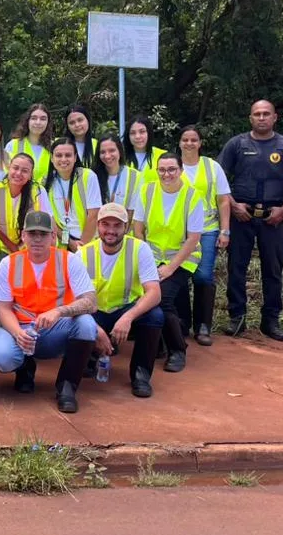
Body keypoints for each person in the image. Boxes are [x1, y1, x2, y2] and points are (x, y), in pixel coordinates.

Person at [0, 211, 98, 413]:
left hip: (55, 328)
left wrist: (59, 312)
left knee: (87, 325)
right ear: (23, 236)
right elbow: (3, 308)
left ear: (53, 237)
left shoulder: (69, 260)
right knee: (3, 357)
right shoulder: (8, 263)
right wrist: (17, 333)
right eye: (32, 233)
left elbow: (91, 302)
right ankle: (24, 370)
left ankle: (66, 388)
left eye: (43, 234)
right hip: (20, 326)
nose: (37, 239)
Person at [218, 99, 283, 341]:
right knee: (236, 268)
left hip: (273, 218)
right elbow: (218, 176)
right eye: (257, 114)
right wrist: (233, 205)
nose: (262, 118)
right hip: (241, 216)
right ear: (250, 118)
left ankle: (271, 320)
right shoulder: (237, 144)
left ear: (275, 117)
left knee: (273, 269)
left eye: (266, 114)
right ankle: (237, 318)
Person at [80, 203, 164, 398]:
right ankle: (89, 357)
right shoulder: (83, 253)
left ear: (126, 227)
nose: (110, 231)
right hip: (95, 313)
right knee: (77, 322)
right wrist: (96, 330)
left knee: (154, 316)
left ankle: (140, 375)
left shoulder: (139, 249)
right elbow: (72, 299)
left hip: (125, 310)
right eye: (105, 224)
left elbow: (154, 293)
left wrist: (128, 317)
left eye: (117, 225)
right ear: (98, 226)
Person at [132, 153, 203, 374]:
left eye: (171, 169)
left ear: (181, 170)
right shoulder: (147, 190)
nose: (166, 174)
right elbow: (138, 227)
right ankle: (158, 345)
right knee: (140, 295)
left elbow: (193, 238)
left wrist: (170, 268)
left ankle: (178, 349)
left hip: (182, 259)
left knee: (162, 299)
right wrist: (144, 259)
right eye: (162, 170)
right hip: (151, 257)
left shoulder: (193, 196)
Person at [178, 126, 232, 345]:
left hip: (207, 229)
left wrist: (225, 230)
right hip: (179, 232)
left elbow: (223, 200)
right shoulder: (173, 166)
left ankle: (203, 326)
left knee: (203, 276)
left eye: (194, 140)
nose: (189, 143)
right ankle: (182, 324)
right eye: (185, 140)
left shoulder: (212, 167)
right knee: (180, 276)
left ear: (200, 143)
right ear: (180, 143)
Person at [0, 152, 50, 263]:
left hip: (32, 248)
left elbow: (46, 223)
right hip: (3, 247)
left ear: (30, 175)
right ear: (9, 168)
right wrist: (14, 249)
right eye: (15, 168)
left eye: (25, 171)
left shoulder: (38, 192)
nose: (18, 173)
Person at [42, 138, 101, 250]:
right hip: (62, 244)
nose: (63, 159)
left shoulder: (88, 176)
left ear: (75, 157)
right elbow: (52, 220)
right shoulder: (46, 183)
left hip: (88, 243)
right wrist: (69, 242)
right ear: (51, 158)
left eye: (68, 155)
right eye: (58, 155)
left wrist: (82, 246)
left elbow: (93, 215)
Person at [5, 103, 52, 182]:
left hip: (45, 193)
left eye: (43, 119)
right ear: (27, 121)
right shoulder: (13, 145)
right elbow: (6, 173)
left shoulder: (54, 147)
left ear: (48, 122)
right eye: (34, 118)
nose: (38, 122)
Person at [94, 134, 141, 212]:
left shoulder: (135, 176)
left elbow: (134, 212)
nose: (107, 156)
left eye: (112, 150)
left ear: (120, 151)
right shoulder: (93, 176)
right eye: (102, 152)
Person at [123, 115, 166, 186]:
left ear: (149, 133)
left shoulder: (163, 156)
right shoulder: (121, 157)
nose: (137, 136)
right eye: (133, 133)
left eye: (142, 132)